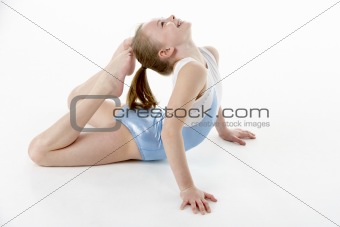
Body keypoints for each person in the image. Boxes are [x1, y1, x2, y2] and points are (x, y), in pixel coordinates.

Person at [28, 15, 256, 215]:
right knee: (39, 152)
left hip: (148, 120)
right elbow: (169, 132)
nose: (171, 17)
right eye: (162, 24)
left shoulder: (208, 54)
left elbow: (212, 95)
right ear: (166, 51)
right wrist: (187, 188)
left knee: (74, 99)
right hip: (141, 139)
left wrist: (223, 129)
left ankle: (110, 76)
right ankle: (109, 81)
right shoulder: (191, 70)